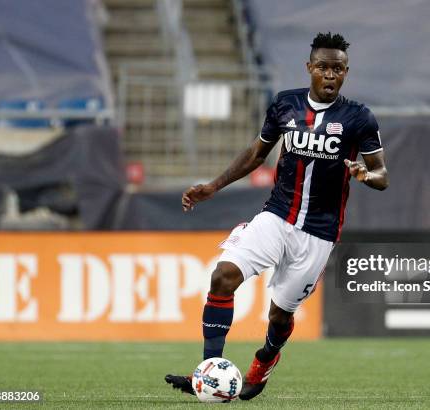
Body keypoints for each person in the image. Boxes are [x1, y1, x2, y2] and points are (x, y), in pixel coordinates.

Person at [165, 32, 389, 401]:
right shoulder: (285, 105)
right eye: (323, 67)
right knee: (223, 277)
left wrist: (365, 174)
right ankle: (207, 373)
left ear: (347, 72)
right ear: (309, 68)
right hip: (276, 216)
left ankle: (265, 360)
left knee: (280, 317)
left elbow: (383, 174)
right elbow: (257, 153)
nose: (330, 75)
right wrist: (214, 186)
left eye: (338, 69)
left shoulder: (359, 118)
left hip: (318, 233)